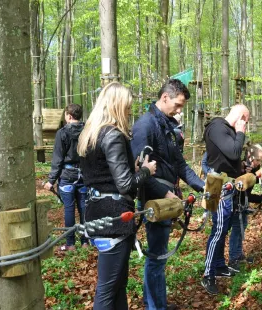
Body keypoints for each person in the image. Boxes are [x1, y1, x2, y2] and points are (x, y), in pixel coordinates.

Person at [78, 82, 157, 310]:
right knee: (108, 288)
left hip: (97, 212)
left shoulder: (91, 134)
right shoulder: (112, 134)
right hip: (113, 217)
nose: (130, 111)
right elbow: (124, 184)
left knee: (117, 285)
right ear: (118, 106)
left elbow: (102, 176)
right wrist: (145, 171)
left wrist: (131, 168)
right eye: (128, 106)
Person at [131, 79, 205, 310]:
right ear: (165, 98)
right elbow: (140, 171)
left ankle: (158, 303)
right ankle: (155, 306)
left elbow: (180, 165)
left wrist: (202, 186)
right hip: (156, 199)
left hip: (167, 197)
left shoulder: (168, 127)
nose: (180, 110)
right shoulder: (145, 125)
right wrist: (165, 192)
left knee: (160, 255)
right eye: (178, 104)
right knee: (156, 257)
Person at [201, 104, 249, 295]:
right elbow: (234, 152)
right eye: (246, 119)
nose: (247, 124)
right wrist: (240, 132)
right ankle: (208, 274)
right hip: (216, 183)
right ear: (240, 117)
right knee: (219, 228)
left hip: (226, 183)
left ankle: (219, 265)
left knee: (224, 227)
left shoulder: (224, 129)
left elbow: (230, 157)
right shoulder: (218, 127)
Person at [44, 104, 89, 251]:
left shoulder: (62, 133)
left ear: (69, 116)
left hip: (68, 177)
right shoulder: (87, 132)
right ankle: (85, 242)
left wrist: (51, 180)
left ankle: (70, 244)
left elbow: (57, 159)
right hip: (84, 176)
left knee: (69, 209)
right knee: (83, 208)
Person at [228, 143, 262, 272]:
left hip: (243, 204)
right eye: (257, 160)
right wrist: (242, 172)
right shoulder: (237, 166)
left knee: (242, 226)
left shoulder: (254, 169)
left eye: (260, 160)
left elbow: (248, 194)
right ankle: (233, 259)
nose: (258, 163)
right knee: (237, 229)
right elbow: (235, 187)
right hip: (233, 203)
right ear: (249, 156)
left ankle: (239, 255)